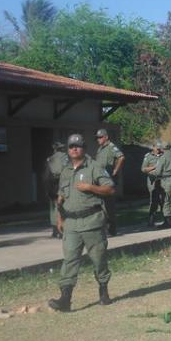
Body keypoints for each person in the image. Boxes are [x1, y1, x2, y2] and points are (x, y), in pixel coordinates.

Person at [49, 134, 115, 312]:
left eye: (78, 146)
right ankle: (65, 299)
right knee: (70, 260)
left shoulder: (95, 167)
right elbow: (61, 195)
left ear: (84, 148)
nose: (74, 149)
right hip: (71, 223)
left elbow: (110, 189)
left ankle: (103, 291)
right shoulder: (65, 170)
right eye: (71, 146)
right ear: (68, 150)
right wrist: (60, 217)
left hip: (92, 221)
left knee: (99, 259)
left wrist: (91, 187)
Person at [94, 129, 124, 236]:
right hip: (99, 179)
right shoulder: (100, 149)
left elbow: (121, 157)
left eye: (100, 137)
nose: (98, 139)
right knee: (102, 205)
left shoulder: (111, 147)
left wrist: (115, 170)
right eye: (97, 137)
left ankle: (112, 229)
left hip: (108, 178)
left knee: (109, 205)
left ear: (106, 137)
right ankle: (104, 227)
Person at [150, 142, 171, 228]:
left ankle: (167, 221)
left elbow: (158, 171)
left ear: (162, 149)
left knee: (166, 201)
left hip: (166, 181)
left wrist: (151, 173)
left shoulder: (163, 158)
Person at [44, 141, 67, 239]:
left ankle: (54, 230)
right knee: (62, 206)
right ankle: (62, 229)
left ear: (54, 149)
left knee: (53, 207)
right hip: (61, 184)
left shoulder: (50, 159)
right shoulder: (65, 157)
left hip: (50, 185)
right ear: (62, 148)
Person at [141, 141, 164, 227]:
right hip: (152, 181)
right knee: (154, 200)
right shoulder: (148, 157)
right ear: (153, 147)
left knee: (164, 200)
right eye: (157, 148)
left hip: (162, 180)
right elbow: (143, 169)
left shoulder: (163, 155)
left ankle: (166, 219)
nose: (158, 150)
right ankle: (151, 219)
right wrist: (155, 167)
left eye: (160, 148)